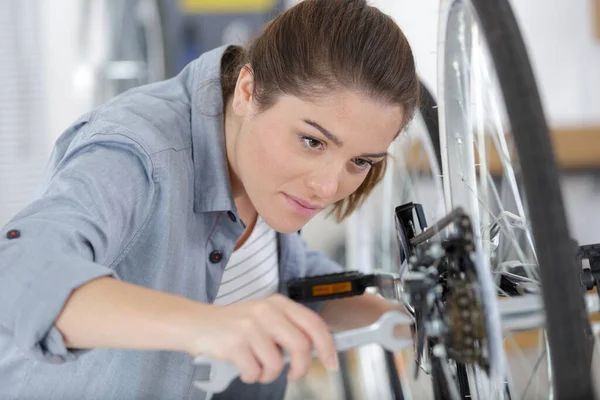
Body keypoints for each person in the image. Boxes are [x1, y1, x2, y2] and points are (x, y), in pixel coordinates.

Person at [0, 0, 419, 398]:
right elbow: (18, 272)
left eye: (361, 161)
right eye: (312, 141)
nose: (328, 187)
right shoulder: (136, 154)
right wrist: (207, 327)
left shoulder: (260, 174)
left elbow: (280, 283)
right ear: (247, 90)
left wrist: (412, 320)